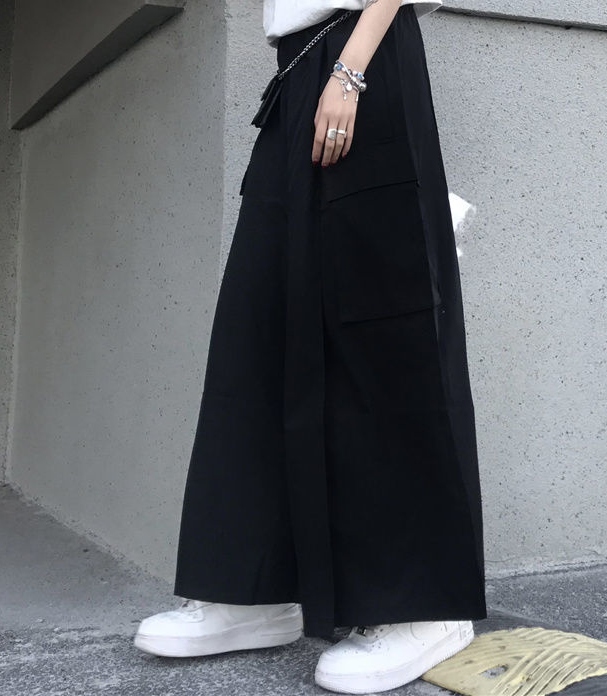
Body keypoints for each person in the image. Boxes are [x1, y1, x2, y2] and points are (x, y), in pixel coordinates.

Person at [134, 1, 487, 692]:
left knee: (385, 332)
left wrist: (351, 71)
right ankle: (254, 586)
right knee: (260, 325)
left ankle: (425, 608)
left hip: (363, 58)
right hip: (299, 68)